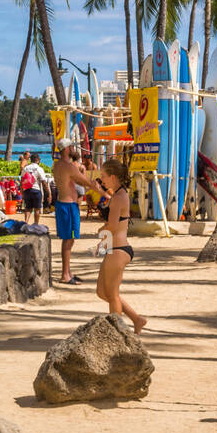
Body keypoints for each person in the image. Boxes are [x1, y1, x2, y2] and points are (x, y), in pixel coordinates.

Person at [95, 157, 146, 334]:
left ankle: (117, 333)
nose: (101, 179)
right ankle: (137, 319)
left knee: (112, 294)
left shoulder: (118, 198)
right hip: (114, 248)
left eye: (104, 176)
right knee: (102, 291)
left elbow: (113, 226)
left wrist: (101, 231)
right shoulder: (118, 194)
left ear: (113, 177)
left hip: (118, 250)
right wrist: (103, 243)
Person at [52, 138, 98, 285]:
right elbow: (84, 181)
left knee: (69, 239)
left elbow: (76, 180)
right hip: (68, 205)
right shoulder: (68, 166)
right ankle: (65, 275)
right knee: (68, 239)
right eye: (72, 146)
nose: (74, 149)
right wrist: (101, 190)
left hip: (65, 204)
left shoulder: (58, 165)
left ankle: (68, 272)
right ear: (66, 149)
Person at [21, 152, 48, 225]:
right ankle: (36, 224)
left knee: (28, 208)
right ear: (37, 160)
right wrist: (48, 192)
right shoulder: (39, 169)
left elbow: (22, 181)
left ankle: (26, 222)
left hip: (27, 190)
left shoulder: (26, 168)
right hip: (36, 191)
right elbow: (44, 182)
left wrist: (22, 192)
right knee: (37, 209)